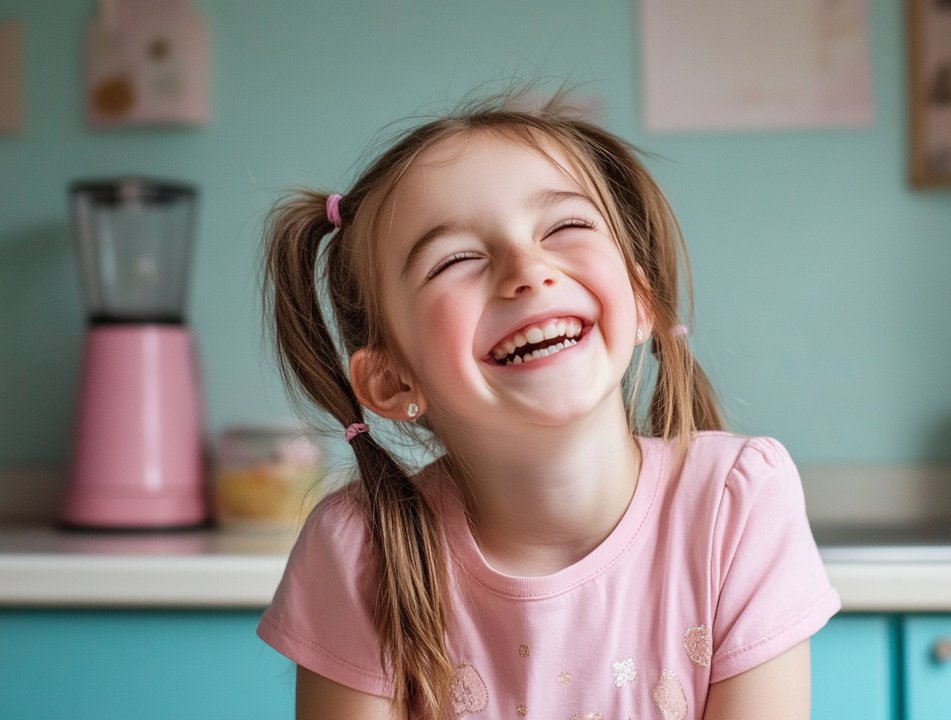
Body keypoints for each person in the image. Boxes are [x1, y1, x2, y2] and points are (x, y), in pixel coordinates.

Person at [256, 90, 840, 719]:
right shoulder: (363, 551)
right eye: (456, 260)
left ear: (642, 298)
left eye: (564, 227)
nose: (527, 270)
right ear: (393, 382)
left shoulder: (737, 503)